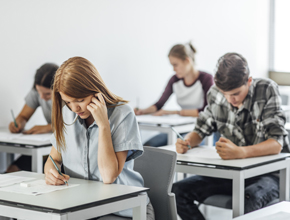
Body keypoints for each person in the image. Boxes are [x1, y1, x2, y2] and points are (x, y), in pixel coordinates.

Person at [172, 52, 289, 220]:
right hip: (231, 173)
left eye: (235, 94)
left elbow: (276, 143)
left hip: (268, 174)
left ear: (249, 81)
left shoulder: (266, 89)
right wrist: (188, 141)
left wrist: (241, 152)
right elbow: (200, 129)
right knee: (178, 191)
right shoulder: (215, 94)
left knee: (250, 197)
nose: (229, 99)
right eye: (224, 93)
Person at [44, 56, 155, 219]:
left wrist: (103, 125)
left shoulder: (122, 114)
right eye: (68, 102)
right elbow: (53, 160)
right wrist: (50, 173)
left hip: (126, 210)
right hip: (83, 208)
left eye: (80, 100)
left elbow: (109, 176)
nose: (75, 108)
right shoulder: (68, 114)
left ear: (95, 90)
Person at [135, 43, 214, 147]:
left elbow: (206, 111)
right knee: (149, 146)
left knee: (184, 146)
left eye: (175, 65)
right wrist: (142, 111)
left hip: (202, 130)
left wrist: (173, 112)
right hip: (180, 129)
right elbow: (159, 105)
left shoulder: (206, 79)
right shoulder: (174, 80)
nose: (173, 69)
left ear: (187, 60)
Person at [7, 63, 59, 173]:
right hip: (46, 145)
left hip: (59, 149)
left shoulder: (69, 98)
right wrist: (19, 122)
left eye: (47, 94)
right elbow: (23, 116)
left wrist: (49, 127)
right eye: (38, 91)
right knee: (12, 171)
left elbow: (75, 125)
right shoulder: (38, 92)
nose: (41, 97)